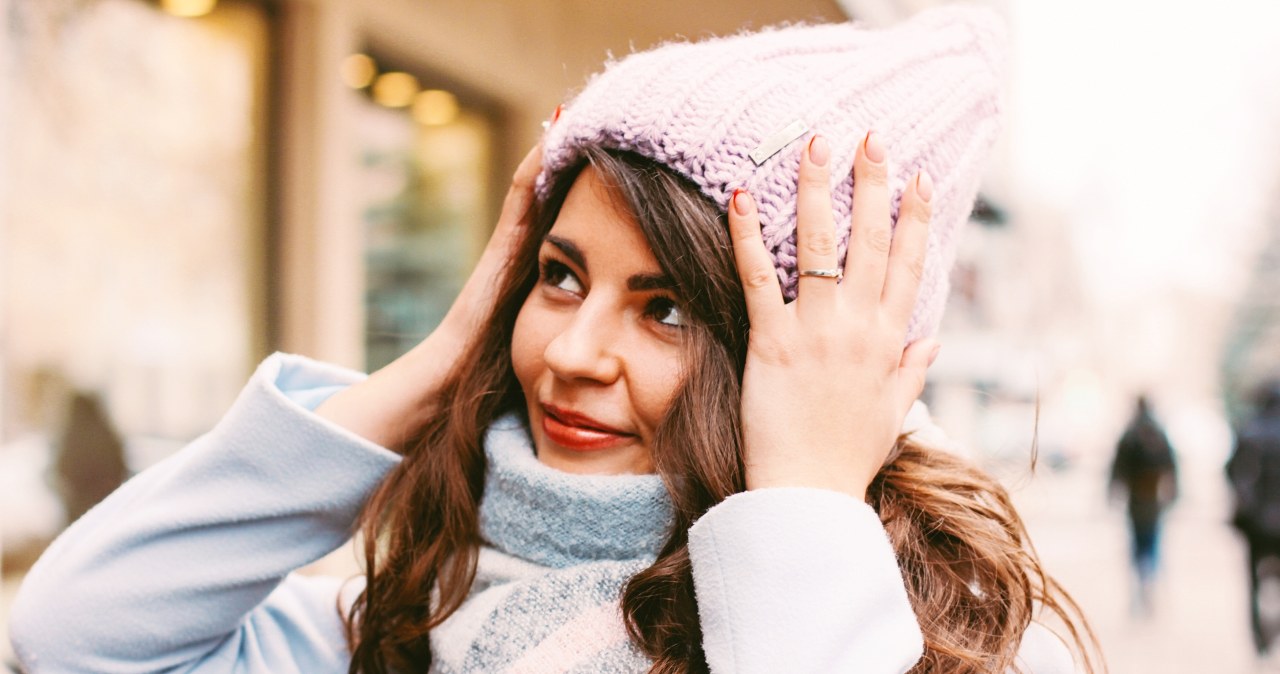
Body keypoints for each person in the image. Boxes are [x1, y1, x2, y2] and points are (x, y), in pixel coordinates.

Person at [9, 8, 1098, 673]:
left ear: (814, 356)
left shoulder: (957, 643)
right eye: (556, 275)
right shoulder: (414, 611)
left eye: (664, 305)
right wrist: (435, 365)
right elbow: (73, 640)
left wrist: (806, 504)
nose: (571, 350)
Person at [1108, 395, 1178, 616]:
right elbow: (1172, 466)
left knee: (1137, 545)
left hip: (1135, 499)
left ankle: (1140, 583)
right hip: (1154, 498)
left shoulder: (1130, 434)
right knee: (1153, 542)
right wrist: (1174, 495)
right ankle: (1150, 579)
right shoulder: (1159, 433)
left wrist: (1112, 493)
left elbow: (1117, 468)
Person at [1228, 381, 1280, 655]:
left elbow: (1232, 473)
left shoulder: (1250, 429)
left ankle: (1260, 637)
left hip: (1256, 524)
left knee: (1253, 581)